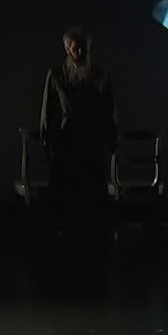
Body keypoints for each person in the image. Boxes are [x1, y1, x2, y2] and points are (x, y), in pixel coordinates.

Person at [40, 26, 117, 240]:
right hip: (66, 142)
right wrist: (47, 141)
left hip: (92, 141)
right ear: (68, 50)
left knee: (93, 192)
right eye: (76, 49)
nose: (81, 53)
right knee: (66, 192)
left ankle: (94, 237)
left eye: (84, 48)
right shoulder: (56, 74)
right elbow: (48, 111)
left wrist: (112, 136)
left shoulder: (100, 74)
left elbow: (109, 108)